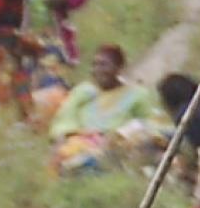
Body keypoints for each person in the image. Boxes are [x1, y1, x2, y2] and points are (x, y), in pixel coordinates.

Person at [48, 43, 161, 175]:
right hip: (82, 142)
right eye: (95, 65)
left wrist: (118, 136)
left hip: (117, 145)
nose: (97, 70)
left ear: (119, 68)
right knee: (64, 155)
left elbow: (150, 123)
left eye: (103, 65)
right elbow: (65, 119)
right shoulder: (83, 91)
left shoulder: (137, 94)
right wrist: (75, 135)